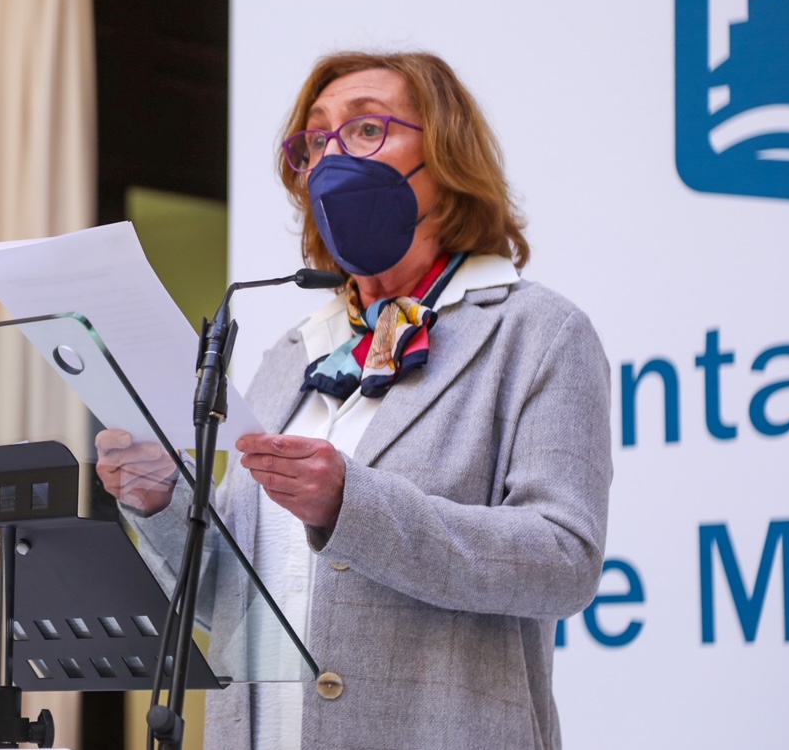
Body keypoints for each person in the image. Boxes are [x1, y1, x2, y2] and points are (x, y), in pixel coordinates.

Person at [96, 51, 612, 750]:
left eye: (367, 128)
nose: (332, 156)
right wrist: (162, 501)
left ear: (446, 161)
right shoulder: (292, 356)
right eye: (316, 140)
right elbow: (232, 602)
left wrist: (352, 505)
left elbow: (563, 562)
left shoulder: (536, 333)